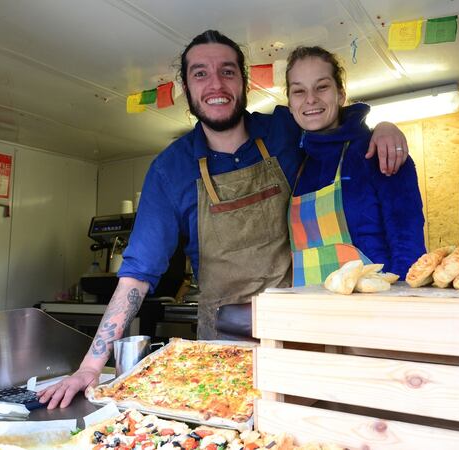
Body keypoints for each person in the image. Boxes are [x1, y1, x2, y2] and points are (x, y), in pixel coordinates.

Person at [38, 30, 409, 409]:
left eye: (227, 71)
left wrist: (380, 129)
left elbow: (331, 120)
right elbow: (137, 273)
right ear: (186, 87)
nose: (216, 84)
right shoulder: (171, 169)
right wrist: (89, 365)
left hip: (299, 335)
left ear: (244, 81)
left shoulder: (283, 130)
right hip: (222, 348)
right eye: (201, 73)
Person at [285, 46, 426, 285]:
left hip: (372, 310)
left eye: (322, 87)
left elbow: (409, 246)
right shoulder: (295, 162)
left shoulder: (377, 151)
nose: (311, 98)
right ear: (289, 104)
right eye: (299, 91)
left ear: (340, 94)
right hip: (310, 312)